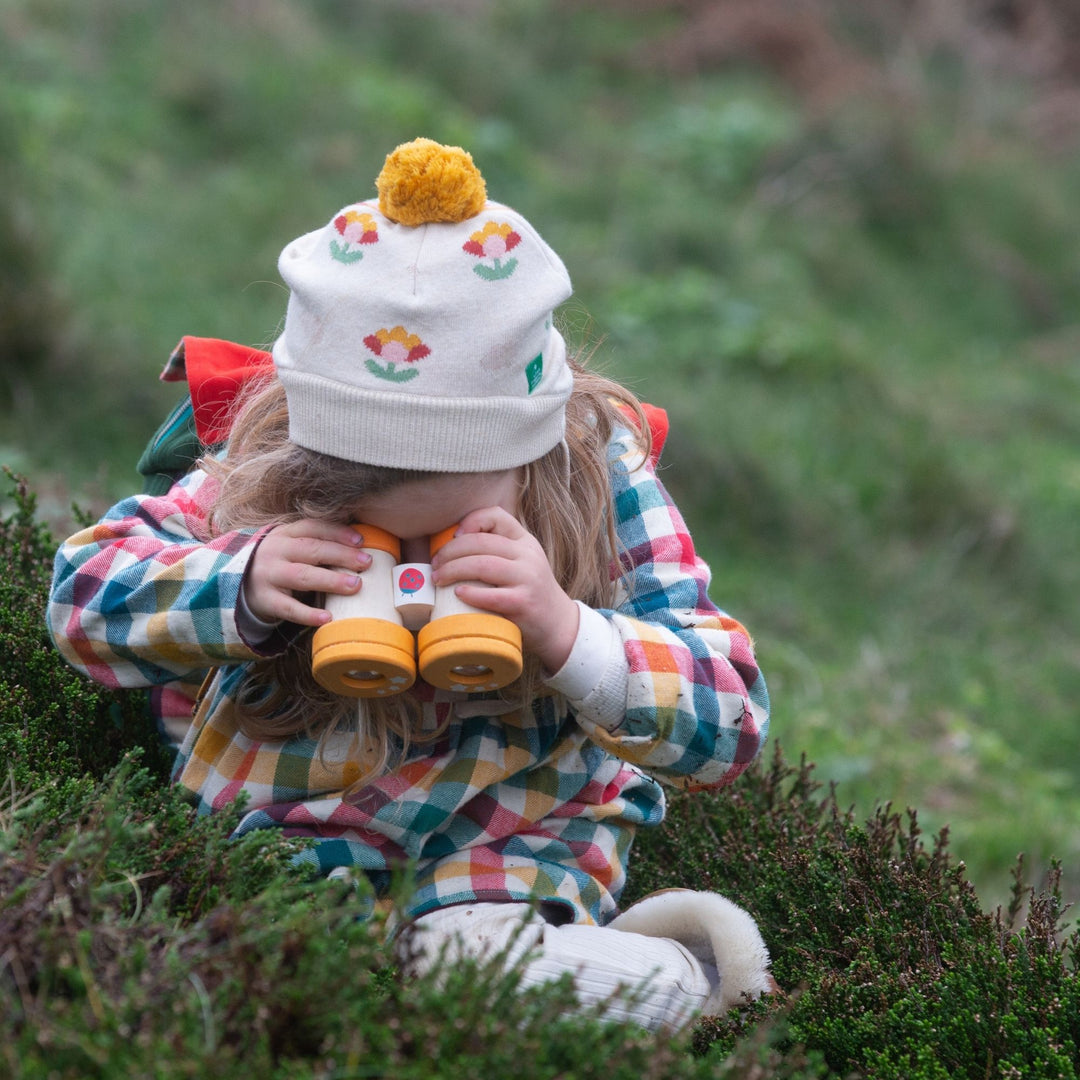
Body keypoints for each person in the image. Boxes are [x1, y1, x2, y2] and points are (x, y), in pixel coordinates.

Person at [48, 138, 773, 1030]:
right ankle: (593, 976)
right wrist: (237, 581)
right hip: (286, 835)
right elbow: (80, 595)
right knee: (266, 978)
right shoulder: (272, 466)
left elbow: (734, 717)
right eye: (372, 525)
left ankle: (684, 966)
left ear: (529, 456)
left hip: (508, 845)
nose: (413, 564)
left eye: (444, 527)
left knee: (464, 976)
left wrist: (565, 631)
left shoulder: (597, 478)